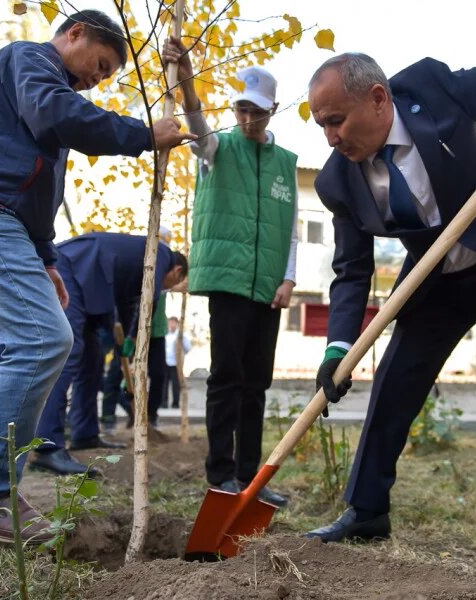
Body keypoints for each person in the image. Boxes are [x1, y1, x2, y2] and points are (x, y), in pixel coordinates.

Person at [0, 9, 195, 546]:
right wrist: (143, 134)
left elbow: (38, 191)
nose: (101, 77)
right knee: (44, 339)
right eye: (101, 63)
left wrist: (45, 258)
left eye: (110, 73)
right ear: (74, 34)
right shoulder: (31, 62)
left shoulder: (47, 94)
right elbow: (55, 115)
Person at [304, 53, 476, 577]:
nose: (330, 137)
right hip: (438, 279)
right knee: (395, 378)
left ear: (379, 99)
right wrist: (338, 348)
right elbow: (352, 271)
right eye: (321, 125)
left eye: (337, 120)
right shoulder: (338, 182)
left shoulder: (433, 89)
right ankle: (368, 511)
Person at [163, 38, 297, 508]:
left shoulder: (285, 164)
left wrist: (289, 280)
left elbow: (292, 229)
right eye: (241, 109)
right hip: (228, 283)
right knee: (226, 379)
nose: (246, 118)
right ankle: (220, 476)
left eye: (256, 111)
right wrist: (187, 78)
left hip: (268, 289)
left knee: (257, 384)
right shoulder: (217, 149)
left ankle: (249, 478)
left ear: (273, 109)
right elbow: (198, 125)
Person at [30, 233, 187, 476]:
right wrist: (137, 336)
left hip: (91, 281)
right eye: (172, 284)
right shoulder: (161, 253)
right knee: (68, 353)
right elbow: (150, 299)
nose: (167, 288)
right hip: (73, 267)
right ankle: (47, 447)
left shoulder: (137, 269)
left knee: (91, 360)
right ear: (177, 271)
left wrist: (126, 340)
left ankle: (85, 433)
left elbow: (128, 305)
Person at [162, 316, 191, 409]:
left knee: (176, 384)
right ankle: (164, 402)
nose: (172, 324)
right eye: (170, 322)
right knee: (164, 384)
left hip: (176, 363)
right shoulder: (165, 334)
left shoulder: (181, 335)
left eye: (174, 322)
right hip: (165, 362)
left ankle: (175, 403)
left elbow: (188, 348)